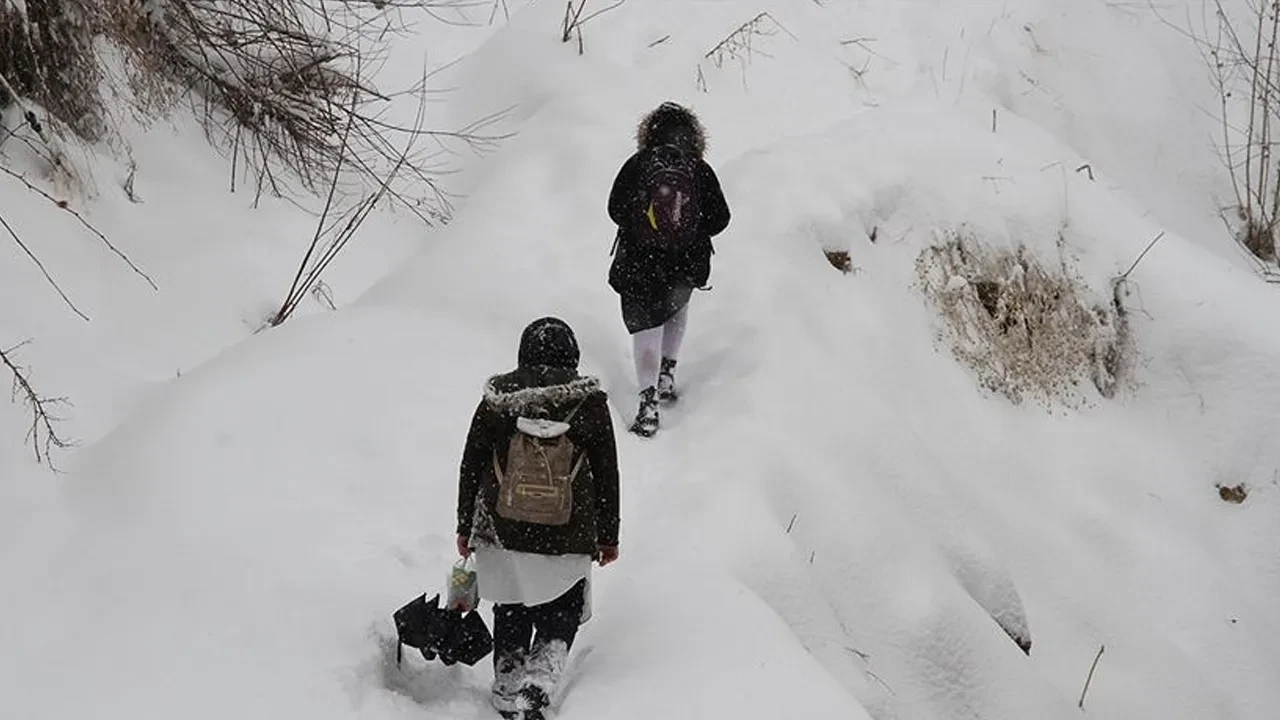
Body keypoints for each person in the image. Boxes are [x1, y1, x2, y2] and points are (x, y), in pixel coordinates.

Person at [455, 317, 621, 720]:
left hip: (502, 526)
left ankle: (507, 682)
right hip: (568, 529)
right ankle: (539, 681)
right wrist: (608, 535)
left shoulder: (497, 400)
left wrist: (464, 525)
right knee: (561, 607)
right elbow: (606, 472)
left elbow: (472, 463)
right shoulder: (590, 404)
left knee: (511, 603)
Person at [607, 101, 731, 437]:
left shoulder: (638, 164)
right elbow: (721, 218)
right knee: (675, 307)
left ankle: (648, 402)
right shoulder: (699, 169)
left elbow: (615, 209)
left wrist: (643, 226)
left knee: (645, 327)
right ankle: (667, 373)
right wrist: (687, 230)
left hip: (638, 263)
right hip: (684, 264)